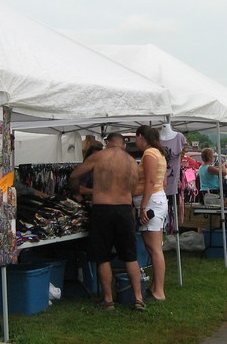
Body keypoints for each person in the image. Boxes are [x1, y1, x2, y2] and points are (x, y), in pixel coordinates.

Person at [68, 132, 145, 311]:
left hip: (102, 209)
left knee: (103, 257)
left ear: (108, 143)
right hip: (124, 209)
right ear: (124, 145)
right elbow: (133, 187)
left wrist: (77, 192)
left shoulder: (99, 156)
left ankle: (108, 300)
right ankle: (138, 298)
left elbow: (74, 175)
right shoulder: (132, 162)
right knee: (130, 256)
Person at [133, 125, 168, 301]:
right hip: (157, 199)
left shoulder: (149, 154)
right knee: (155, 247)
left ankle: (159, 291)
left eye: (136, 138)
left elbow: (150, 181)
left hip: (151, 201)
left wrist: (143, 206)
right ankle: (156, 286)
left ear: (141, 136)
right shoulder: (159, 153)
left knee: (154, 249)